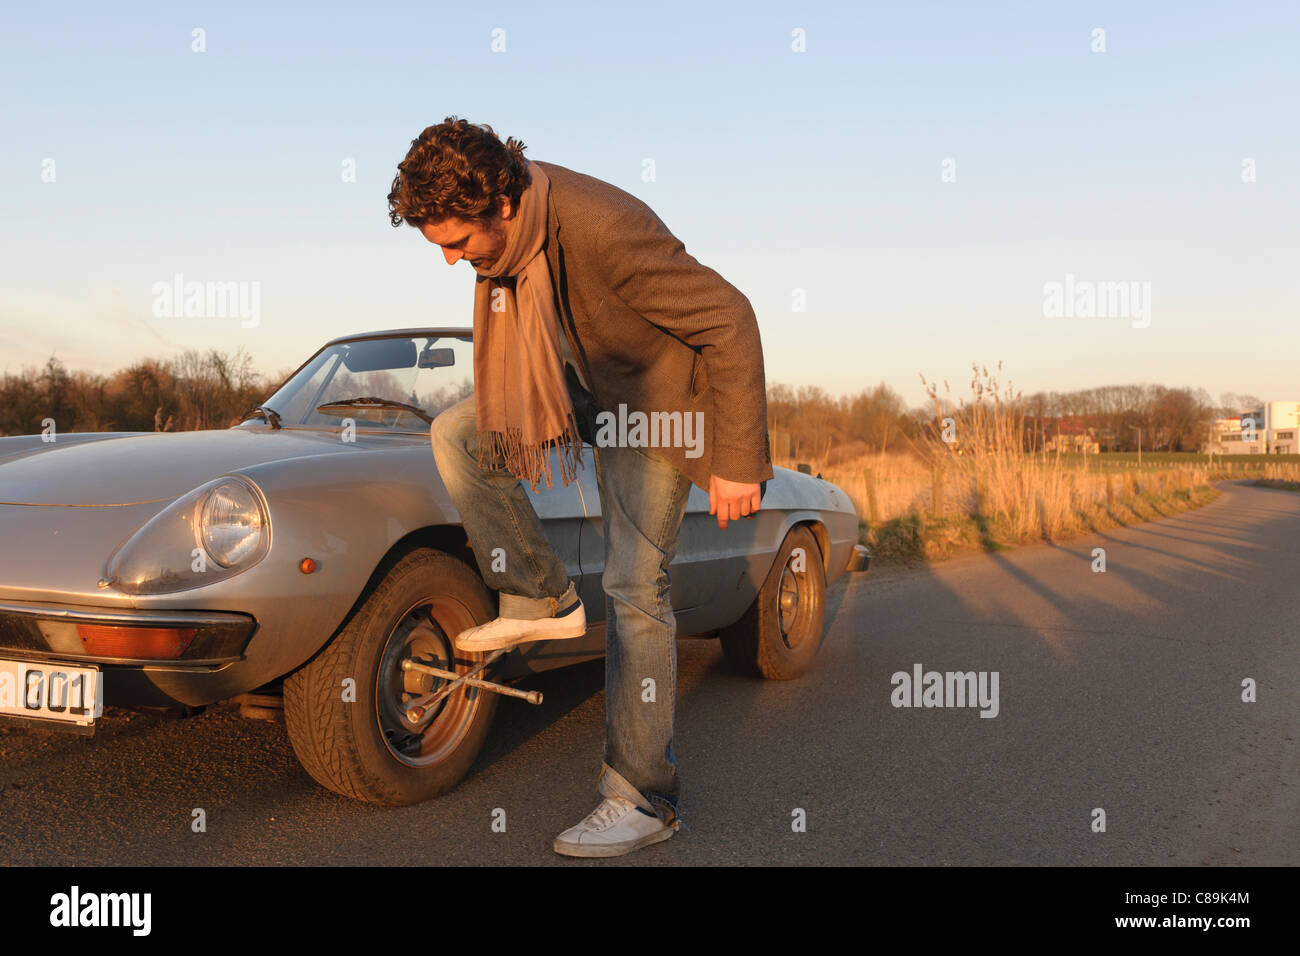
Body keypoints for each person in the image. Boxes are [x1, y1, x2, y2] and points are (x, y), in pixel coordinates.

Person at [387, 117, 773, 857]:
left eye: (456, 244)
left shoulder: (601, 226)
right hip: (588, 385)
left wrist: (737, 459)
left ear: (501, 204)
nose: (449, 262)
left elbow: (731, 317)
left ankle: (643, 798)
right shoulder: (514, 236)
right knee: (456, 433)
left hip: (659, 405)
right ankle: (539, 594)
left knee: (635, 584)